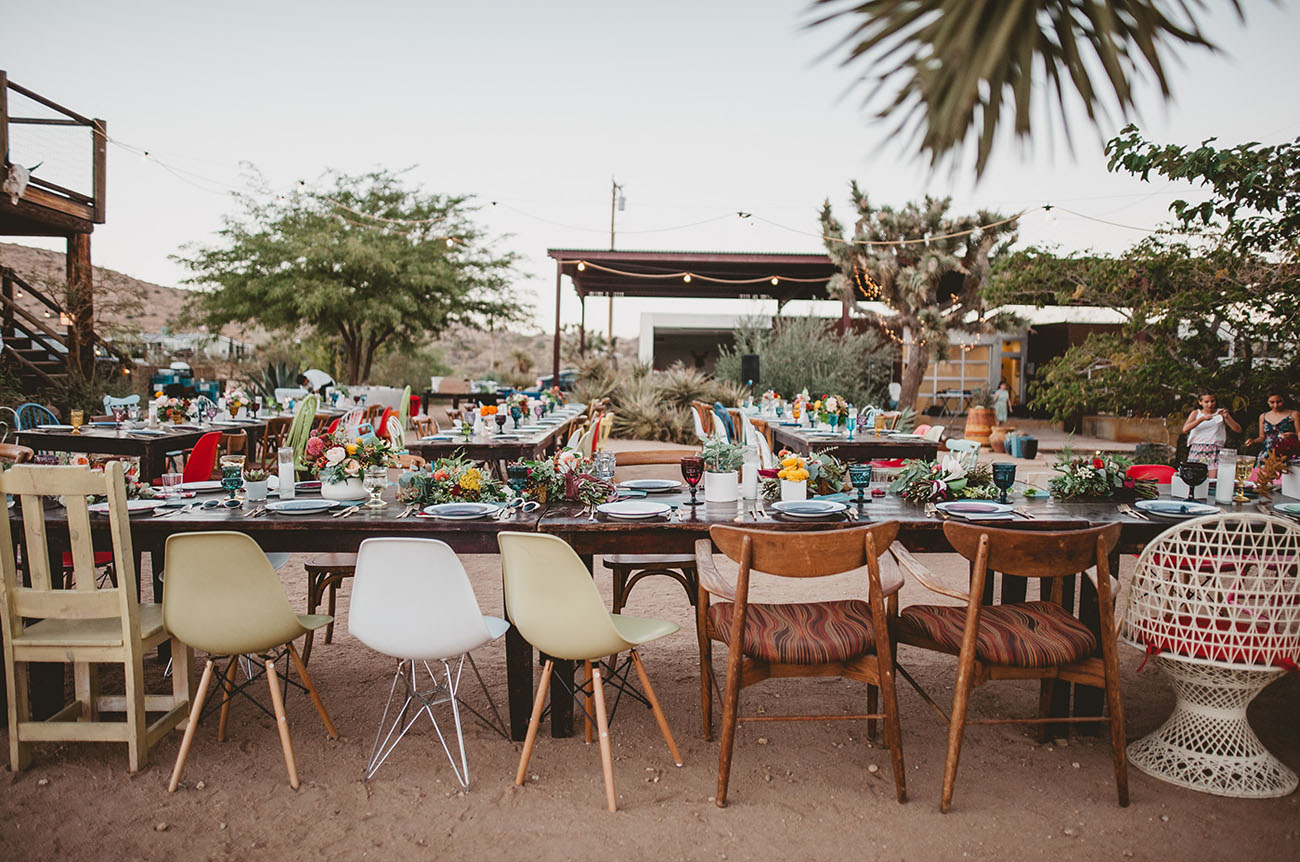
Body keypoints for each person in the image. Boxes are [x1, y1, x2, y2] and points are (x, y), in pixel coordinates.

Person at [1181, 392, 1241, 465]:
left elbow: (1238, 429)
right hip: (1197, 448)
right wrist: (1202, 419)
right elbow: (1185, 429)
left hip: (1214, 448)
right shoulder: (1196, 413)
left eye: (1212, 401)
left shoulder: (1220, 413)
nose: (1210, 404)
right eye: (1206, 402)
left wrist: (1227, 417)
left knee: (1212, 474)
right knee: (1196, 473)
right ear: (1200, 402)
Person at [1245, 391, 1299, 459]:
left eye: (1279, 401)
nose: (1276, 405)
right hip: (1267, 453)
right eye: (1272, 402)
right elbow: (1262, 437)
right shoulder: (1263, 416)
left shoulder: (1294, 414)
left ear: (1284, 400)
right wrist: (1253, 441)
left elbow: (1299, 434)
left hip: (1287, 452)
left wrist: (1291, 435)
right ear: (1267, 402)